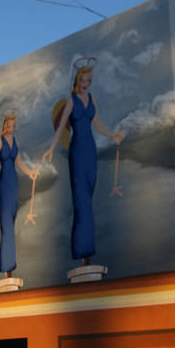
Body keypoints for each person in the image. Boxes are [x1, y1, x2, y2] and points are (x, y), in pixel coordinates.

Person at [42, 57, 125, 265]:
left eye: (88, 81)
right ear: (77, 80)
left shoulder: (92, 99)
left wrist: (112, 135)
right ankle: (83, 254)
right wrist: (51, 149)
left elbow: (97, 123)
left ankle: (85, 254)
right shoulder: (72, 101)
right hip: (77, 150)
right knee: (82, 203)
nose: (85, 84)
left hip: (90, 151)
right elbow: (62, 126)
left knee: (88, 195)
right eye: (83, 80)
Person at [0, 111, 39, 277]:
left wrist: (30, 173)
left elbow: (19, 162)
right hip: (4, 182)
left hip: (14, 183)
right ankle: (7, 268)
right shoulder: (0, 142)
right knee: (6, 225)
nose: (10, 128)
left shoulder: (15, 141)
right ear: (4, 126)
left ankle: (10, 268)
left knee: (11, 223)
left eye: (13, 126)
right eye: (8, 125)